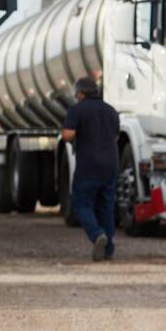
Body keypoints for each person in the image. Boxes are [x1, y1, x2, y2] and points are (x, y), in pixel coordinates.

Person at [61, 76, 120, 261]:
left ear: (80, 93)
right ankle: (108, 250)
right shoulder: (111, 110)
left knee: (82, 204)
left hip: (88, 166)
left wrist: (66, 133)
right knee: (106, 208)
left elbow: (68, 135)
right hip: (110, 166)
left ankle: (97, 234)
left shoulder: (77, 109)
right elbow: (115, 135)